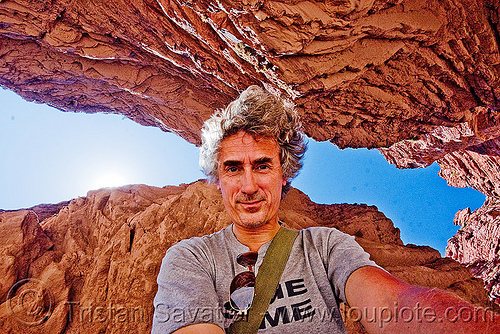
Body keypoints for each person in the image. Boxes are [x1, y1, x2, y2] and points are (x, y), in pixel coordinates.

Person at [152, 85, 500, 333]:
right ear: (217, 179)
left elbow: (395, 306)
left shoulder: (325, 246)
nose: (247, 186)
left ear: (283, 175)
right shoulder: (190, 259)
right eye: (232, 168)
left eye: (261, 166)